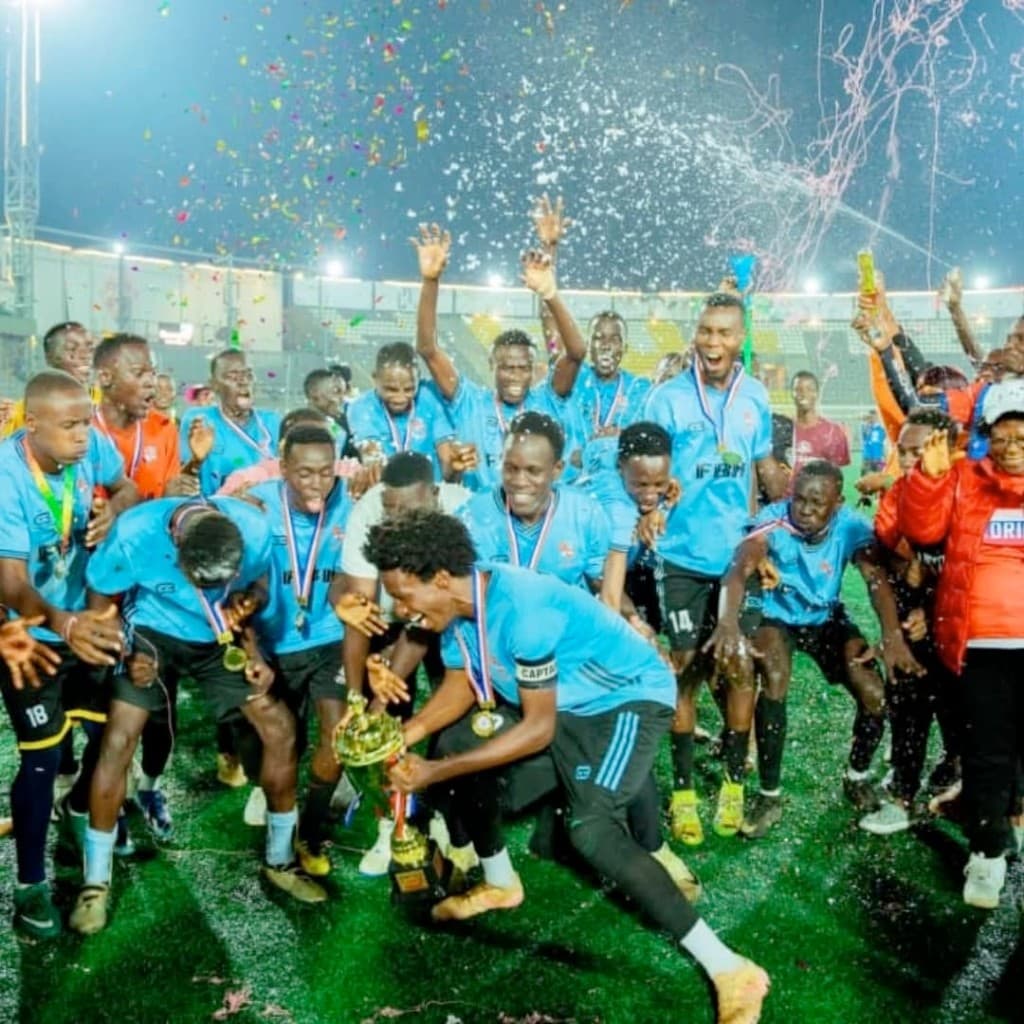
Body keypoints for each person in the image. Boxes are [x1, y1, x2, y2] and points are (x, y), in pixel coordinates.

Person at [364, 509, 771, 1024]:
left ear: (440, 579)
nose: (402, 611)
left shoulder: (523, 610)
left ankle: (731, 969)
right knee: (456, 743)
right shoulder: (459, 608)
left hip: (623, 702)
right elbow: (463, 681)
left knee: (592, 830)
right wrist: (410, 734)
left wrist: (432, 774)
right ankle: (500, 882)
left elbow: (538, 729)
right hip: (564, 704)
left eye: (404, 596)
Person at [70, 497, 324, 936]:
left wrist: (251, 641)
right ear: (176, 546)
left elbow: (259, 583)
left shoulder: (254, 528)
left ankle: (281, 860)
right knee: (118, 740)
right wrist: (120, 648)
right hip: (151, 631)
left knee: (279, 729)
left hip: (216, 636)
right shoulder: (135, 534)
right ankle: (95, 884)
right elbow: (100, 592)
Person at [641, 291, 788, 847]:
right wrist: (651, 503)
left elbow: (761, 474)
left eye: (725, 333)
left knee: (739, 667)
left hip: (735, 557)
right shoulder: (668, 398)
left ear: (741, 338)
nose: (713, 343)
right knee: (682, 669)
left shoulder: (755, 398)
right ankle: (682, 794)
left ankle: (731, 782)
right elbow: (640, 467)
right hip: (679, 556)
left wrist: (773, 534)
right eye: (706, 331)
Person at [707, 461, 922, 839]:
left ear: (836, 504)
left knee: (873, 692)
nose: (804, 510)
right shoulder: (774, 521)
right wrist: (727, 622)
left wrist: (891, 635)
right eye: (799, 500)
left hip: (825, 617)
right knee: (774, 676)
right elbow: (740, 568)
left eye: (816, 503)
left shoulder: (851, 526)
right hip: (778, 617)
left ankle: (856, 775)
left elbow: (874, 579)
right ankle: (769, 795)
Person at [0, 370, 137, 938]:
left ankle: (80, 810)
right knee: (42, 758)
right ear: (33, 424)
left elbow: (125, 484)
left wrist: (116, 508)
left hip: (88, 624)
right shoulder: (7, 477)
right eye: (70, 425)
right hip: (29, 635)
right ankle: (30, 884)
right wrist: (62, 620)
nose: (85, 436)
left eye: (87, 422)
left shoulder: (90, 444)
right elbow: (9, 582)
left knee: (112, 736)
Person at [897, 379, 1024, 909]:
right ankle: (988, 855)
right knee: (988, 754)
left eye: (1022, 436)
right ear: (984, 437)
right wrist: (925, 483)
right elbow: (923, 534)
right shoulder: (963, 481)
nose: (1012, 446)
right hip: (980, 645)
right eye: (1002, 436)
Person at [335, 452, 470, 873]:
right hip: (394, 620)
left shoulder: (464, 510)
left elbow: (432, 620)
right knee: (388, 715)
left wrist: (389, 678)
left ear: (434, 495)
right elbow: (360, 611)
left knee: (450, 719)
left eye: (408, 510)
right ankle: (389, 823)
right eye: (391, 509)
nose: (397, 520)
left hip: (445, 619)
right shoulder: (369, 510)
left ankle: (448, 819)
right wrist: (360, 702)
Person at [247, 425, 353, 877]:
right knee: (277, 747)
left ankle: (312, 831)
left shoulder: (351, 500)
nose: (316, 484)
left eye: (325, 473)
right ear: (284, 468)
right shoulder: (256, 505)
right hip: (272, 642)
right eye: (304, 473)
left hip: (329, 638)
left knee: (337, 733)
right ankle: (278, 828)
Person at [412, 224, 587, 492]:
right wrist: (430, 281)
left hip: (535, 516)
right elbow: (428, 349)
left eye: (523, 368)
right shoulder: (470, 401)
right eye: (507, 367)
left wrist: (550, 295)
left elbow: (576, 353)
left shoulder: (547, 400)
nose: (515, 376)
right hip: (483, 522)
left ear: (533, 369)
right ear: (492, 366)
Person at [858, 408, 963, 835]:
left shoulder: (968, 493)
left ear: (946, 450)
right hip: (911, 613)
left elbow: (976, 566)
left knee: (962, 707)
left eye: (916, 452)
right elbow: (882, 558)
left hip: (961, 616)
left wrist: (933, 606)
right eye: (901, 451)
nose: (905, 461)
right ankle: (902, 792)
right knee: (907, 697)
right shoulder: (897, 495)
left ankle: (961, 779)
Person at [458, 412, 610, 591]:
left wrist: (632, 617)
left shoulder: (585, 514)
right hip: (497, 618)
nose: (519, 481)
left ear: (557, 469)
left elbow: (604, 589)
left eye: (533, 471)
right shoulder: (470, 516)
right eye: (511, 468)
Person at [92, 334, 206, 500]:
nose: (150, 383)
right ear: (105, 378)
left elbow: (169, 502)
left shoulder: (164, 428)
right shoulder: (81, 431)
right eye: (138, 373)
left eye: (152, 373)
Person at [178, 349, 281, 495]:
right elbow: (183, 482)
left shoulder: (271, 422)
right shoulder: (201, 420)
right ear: (214, 385)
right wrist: (196, 461)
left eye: (248, 375)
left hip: (265, 512)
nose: (243, 382)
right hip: (215, 512)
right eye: (233, 376)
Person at [346, 342, 454, 478]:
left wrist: (452, 477)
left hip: (431, 492)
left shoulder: (430, 397)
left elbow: (447, 457)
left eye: (409, 389)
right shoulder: (362, 407)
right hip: (388, 492)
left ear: (418, 379)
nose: (400, 398)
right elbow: (373, 459)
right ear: (375, 378)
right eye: (391, 389)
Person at [216, 407, 360, 498]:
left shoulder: (349, 472)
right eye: (308, 442)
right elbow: (212, 517)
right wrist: (235, 508)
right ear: (283, 448)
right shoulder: (250, 480)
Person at [4, 322, 98, 436]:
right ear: (50, 358)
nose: (85, 355)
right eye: (72, 349)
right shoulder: (25, 410)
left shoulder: (107, 403)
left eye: (90, 349)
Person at [789, 371, 850, 472]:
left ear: (817, 393)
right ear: (792, 393)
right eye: (798, 390)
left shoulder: (833, 431)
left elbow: (837, 477)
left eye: (810, 389)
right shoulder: (785, 429)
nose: (804, 394)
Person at [304, 368, 357, 458]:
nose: (342, 399)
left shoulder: (340, 426)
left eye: (343, 393)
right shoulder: (296, 425)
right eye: (336, 392)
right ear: (314, 393)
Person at [860, 410, 887, 476]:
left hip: (878, 458)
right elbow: (864, 434)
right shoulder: (865, 427)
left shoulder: (881, 429)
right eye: (870, 417)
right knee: (865, 477)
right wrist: (867, 422)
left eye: (874, 417)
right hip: (867, 457)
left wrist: (885, 456)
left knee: (880, 478)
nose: (872, 419)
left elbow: (884, 444)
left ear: (877, 417)